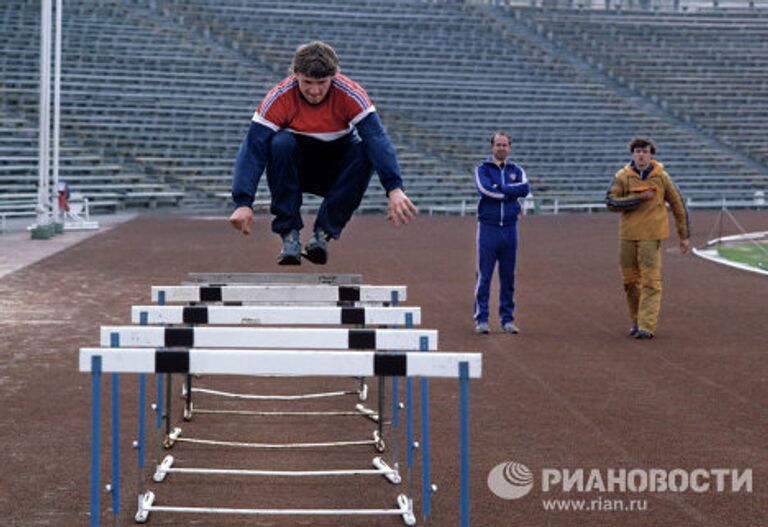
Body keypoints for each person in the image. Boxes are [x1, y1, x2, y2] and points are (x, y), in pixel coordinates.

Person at [228, 41, 417, 265]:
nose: (315, 91)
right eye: (307, 82)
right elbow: (253, 148)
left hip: (335, 171)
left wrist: (394, 188)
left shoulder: (350, 94)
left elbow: (376, 138)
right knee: (280, 142)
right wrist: (243, 201)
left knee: (365, 149)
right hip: (294, 171)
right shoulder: (279, 97)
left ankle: (323, 234)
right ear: (295, 74)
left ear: (334, 77)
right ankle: (289, 235)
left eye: (322, 83)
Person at [606, 136, 690, 340]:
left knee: (651, 281)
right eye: (637, 152)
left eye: (644, 151)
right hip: (628, 235)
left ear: (650, 154)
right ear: (632, 154)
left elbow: (678, 205)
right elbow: (611, 202)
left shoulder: (662, 177)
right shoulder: (622, 177)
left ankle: (646, 325)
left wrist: (684, 235)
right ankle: (636, 320)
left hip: (651, 235)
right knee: (629, 281)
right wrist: (637, 198)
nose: (641, 155)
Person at [473, 131, 530, 335]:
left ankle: (507, 319)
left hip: (510, 228)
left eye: (505, 145)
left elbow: (525, 188)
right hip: (488, 228)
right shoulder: (482, 169)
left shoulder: (517, 169)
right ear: (492, 146)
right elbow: (485, 190)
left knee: (508, 277)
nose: (501, 148)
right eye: (498, 144)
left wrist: (502, 188)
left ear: (510, 148)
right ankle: (481, 319)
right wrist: (509, 192)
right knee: (484, 276)